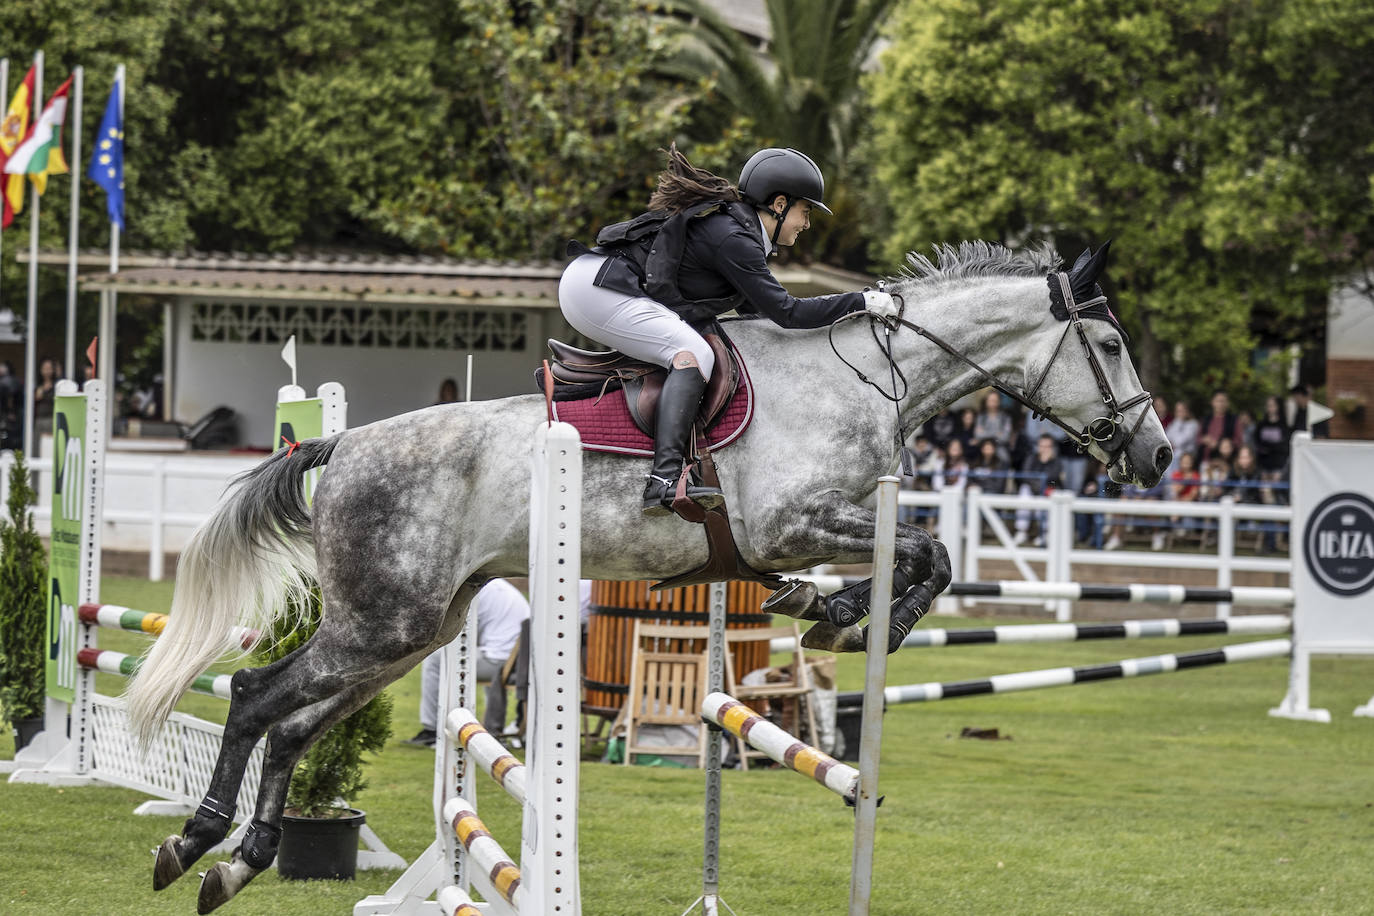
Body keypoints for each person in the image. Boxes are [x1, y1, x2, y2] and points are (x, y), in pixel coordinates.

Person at [559, 145, 895, 516]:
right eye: (806, 211)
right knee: (693, 354)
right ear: (780, 204)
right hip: (596, 289)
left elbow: (759, 320)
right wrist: (862, 302)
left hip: (603, 286)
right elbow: (787, 312)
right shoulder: (734, 239)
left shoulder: (739, 234)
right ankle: (664, 479)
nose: (807, 224)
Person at [406, 578, 531, 747]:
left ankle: (431, 730)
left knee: (435, 659)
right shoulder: (494, 584)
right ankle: (484, 727)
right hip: (519, 659)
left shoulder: (474, 590)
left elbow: (460, 634)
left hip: (501, 660)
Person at [1014, 434, 1064, 546]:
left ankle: (1045, 533)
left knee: (1048, 496)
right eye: (1042, 446)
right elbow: (1026, 476)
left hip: (1048, 491)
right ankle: (1021, 531)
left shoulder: (1056, 461)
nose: (1044, 449)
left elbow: (1053, 477)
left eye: (1047, 446)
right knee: (1024, 491)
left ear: (1052, 447)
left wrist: (1045, 462)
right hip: (1033, 489)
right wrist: (1039, 487)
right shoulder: (1031, 458)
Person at [1196, 389, 1241, 464]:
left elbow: (1238, 441)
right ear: (1212, 402)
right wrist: (1205, 440)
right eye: (1218, 401)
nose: (1220, 404)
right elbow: (1198, 439)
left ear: (1227, 403)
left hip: (1226, 461)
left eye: (1223, 401)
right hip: (1205, 460)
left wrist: (1222, 444)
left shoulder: (1233, 420)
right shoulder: (1205, 419)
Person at [1166, 400, 1199, 470]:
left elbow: (1179, 442)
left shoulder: (1193, 425)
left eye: (1181, 411)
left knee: (1176, 455)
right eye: (1177, 411)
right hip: (1174, 454)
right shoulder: (1175, 422)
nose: (1179, 414)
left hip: (1187, 456)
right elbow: (1166, 437)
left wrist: (1179, 421)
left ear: (1187, 411)